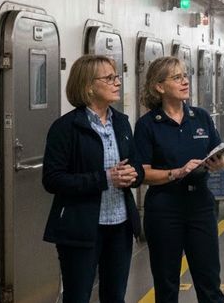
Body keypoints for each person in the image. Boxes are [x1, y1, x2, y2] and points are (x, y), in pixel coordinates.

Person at [42, 55, 143, 303]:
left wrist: (134, 175)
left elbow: (136, 166)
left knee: (115, 296)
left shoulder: (121, 123)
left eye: (116, 76)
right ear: (88, 85)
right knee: (78, 296)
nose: (117, 82)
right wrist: (105, 178)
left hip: (119, 225)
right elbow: (53, 179)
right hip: (81, 227)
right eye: (109, 78)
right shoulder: (65, 128)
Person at [134, 56, 224, 303]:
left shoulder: (201, 117)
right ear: (159, 86)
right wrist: (177, 172)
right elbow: (143, 173)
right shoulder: (147, 125)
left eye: (185, 76)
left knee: (209, 282)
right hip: (164, 208)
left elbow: (218, 153)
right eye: (177, 78)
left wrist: (217, 163)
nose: (185, 81)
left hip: (201, 205)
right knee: (166, 285)